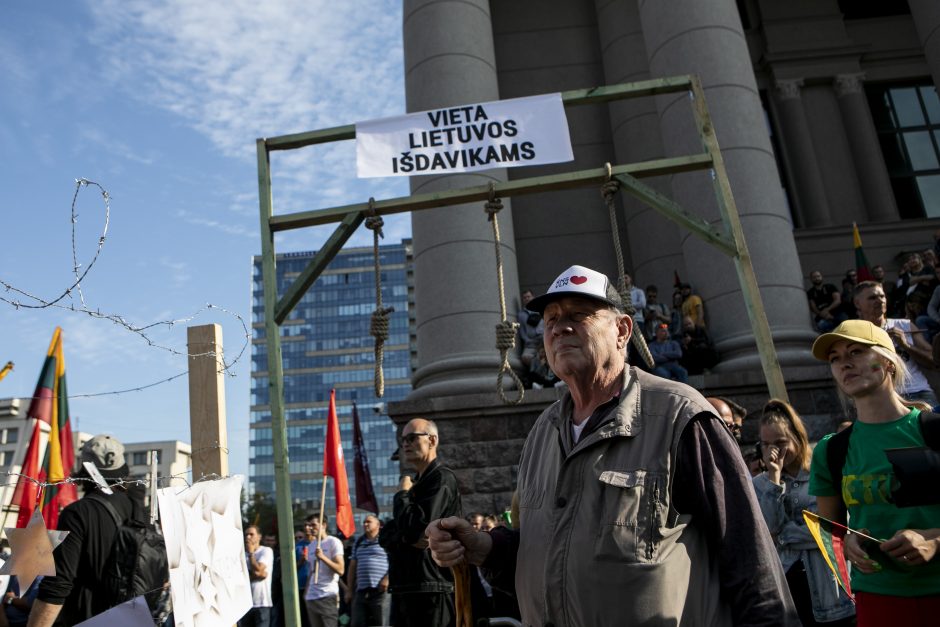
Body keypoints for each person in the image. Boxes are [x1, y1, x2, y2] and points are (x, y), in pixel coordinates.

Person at [426, 264, 798, 626]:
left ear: (622, 330)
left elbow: (750, 559)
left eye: (579, 314)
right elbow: (548, 549)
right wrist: (484, 548)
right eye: (551, 318)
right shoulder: (542, 432)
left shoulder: (680, 416)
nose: (560, 327)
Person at [809, 319, 940, 626]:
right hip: (877, 599)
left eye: (855, 352)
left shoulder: (934, 430)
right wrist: (848, 544)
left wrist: (933, 541)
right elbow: (830, 531)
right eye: (835, 358)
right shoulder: (831, 451)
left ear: (887, 361)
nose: (845, 364)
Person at [752, 400, 855, 626]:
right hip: (787, 584)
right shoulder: (761, 484)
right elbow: (768, 529)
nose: (773, 452)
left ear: (797, 438)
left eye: (780, 443)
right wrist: (774, 479)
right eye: (766, 444)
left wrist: (784, 536)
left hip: (828, 586)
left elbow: (827, 529)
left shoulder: (821, 473)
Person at [29, 435, 149, 626]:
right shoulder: (139, 510)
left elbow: (58, 584)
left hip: (88, 618)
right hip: (134, 618)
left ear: (86, 469)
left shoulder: (78, 513)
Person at [378, 418, 462, 627]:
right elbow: (386, 535)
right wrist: (405, 535)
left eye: (412, 438)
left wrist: (402, 495)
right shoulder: (415, 484)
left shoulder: (441, 479)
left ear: (432, 440)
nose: (405, 443)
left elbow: (417, 530)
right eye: (403, 439)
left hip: (432, 589)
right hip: (406, 588)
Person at [854, 280, 938, 406]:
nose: (880, 300)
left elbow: (933, 361)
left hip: (920, 392)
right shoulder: (855, 333)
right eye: (872, 297)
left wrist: (905, 345)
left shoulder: (905, 325)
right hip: (885, 397)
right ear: (857, 303)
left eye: (882, 296)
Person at [346, 515, 389, 627]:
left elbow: (394, 560)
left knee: (382, 623)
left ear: (378, 525)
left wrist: (387, 579)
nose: (365, 524)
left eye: (369, 522)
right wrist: (349, 590)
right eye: (364, 522)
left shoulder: (385, 539)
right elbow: (352, 566)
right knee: (357, 623)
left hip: (380, 591)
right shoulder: (359, 541)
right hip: (361, 591)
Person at [302, 514, 344, 627]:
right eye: (309, 525)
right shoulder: (311, 546)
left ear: (323, 525)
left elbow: (340, 569)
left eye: (313, 525)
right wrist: (306, 592)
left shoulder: (333, 542)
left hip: (327, 594)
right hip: (312, 596)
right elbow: (312, 571)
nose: (310, 528)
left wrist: (323, 557)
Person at [240, 525, 275, 627]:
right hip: (245, 603)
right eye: (246, 534)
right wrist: (256, 575)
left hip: (262, 602)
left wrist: (251, 553)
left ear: (259, 537)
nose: (248, 537)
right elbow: (257, 574)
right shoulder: (242, 554)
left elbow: (259, 569)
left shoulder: (266, 551)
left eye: (251, 534)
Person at [516, 290, 542, 369]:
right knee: (525, 357)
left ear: (532, 297)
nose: (527, 299)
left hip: (544, 339)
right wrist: (527, 340)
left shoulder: (540, 309)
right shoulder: (521, 314)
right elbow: (522, 330)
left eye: (528, 296)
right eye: (525, 298)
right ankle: (540, 370)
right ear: (523, 300)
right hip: (531, 343)